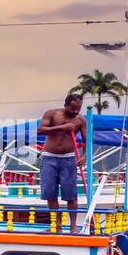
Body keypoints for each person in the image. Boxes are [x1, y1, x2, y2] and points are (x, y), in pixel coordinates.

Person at [38, 93, 87, 234]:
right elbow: (41, 130)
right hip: (48, 159)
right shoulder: (52, 114)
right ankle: (56, 226)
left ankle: (73, 227)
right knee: (50, 194)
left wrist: (84, 155)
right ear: (65, 105)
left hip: (69, 159)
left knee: (71, 194)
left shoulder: (80, 120)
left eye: (78, 108)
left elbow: (86, 140)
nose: (76, 111)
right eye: (73, 108)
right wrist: (62, 128)